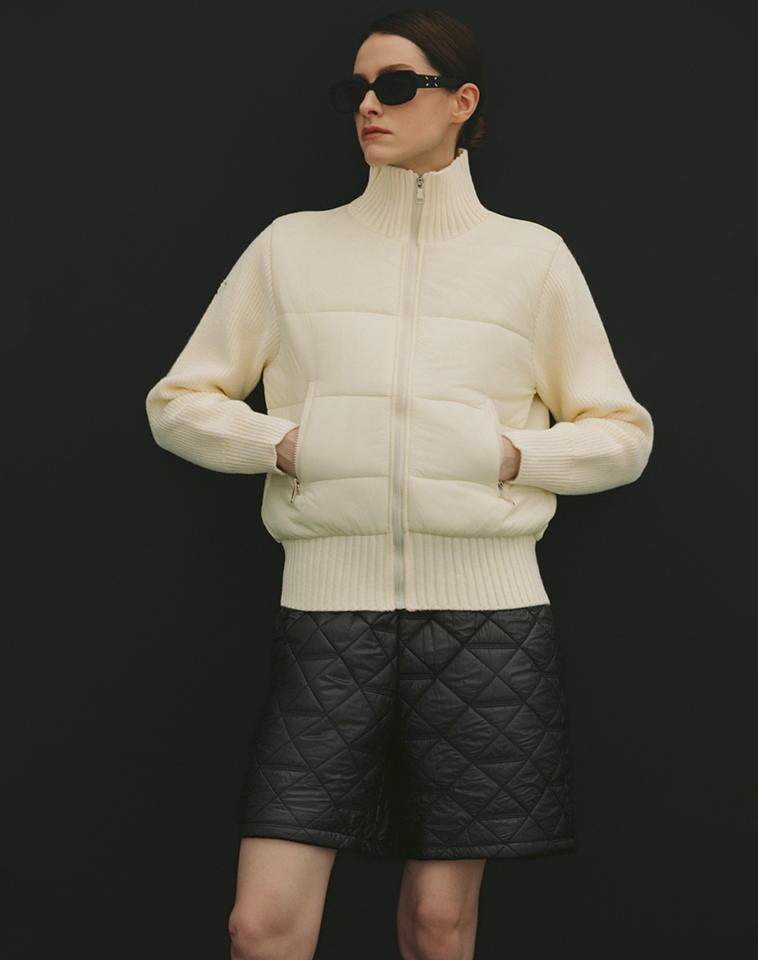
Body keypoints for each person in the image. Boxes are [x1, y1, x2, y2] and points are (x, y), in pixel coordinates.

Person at [146, 10, 653, 960]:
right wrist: (288, 444)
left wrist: (508, 456)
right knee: (262, 926)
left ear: (462, 102)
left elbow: (623, 437)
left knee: (437, 926)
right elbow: (177, 404)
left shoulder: (532, 258)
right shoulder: (290, 247)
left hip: (489, 630)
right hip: (325, 624)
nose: (369, 107)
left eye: (395, 85)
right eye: (358, 90)